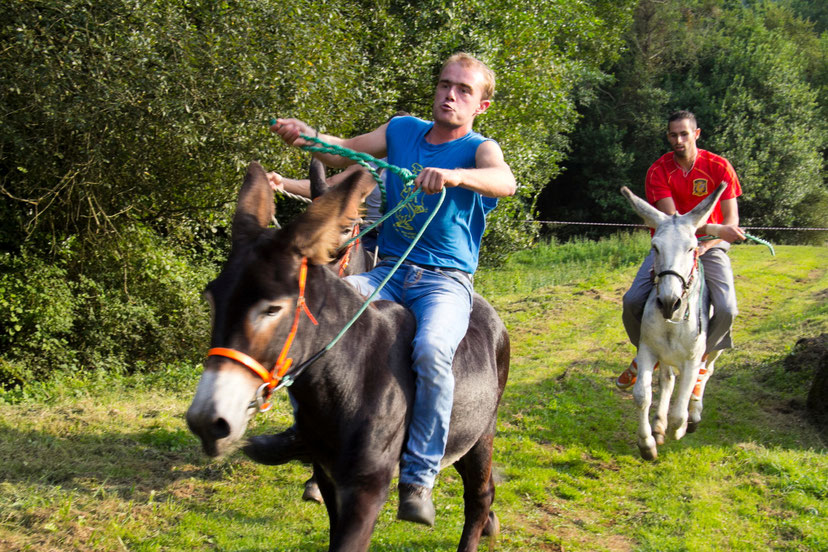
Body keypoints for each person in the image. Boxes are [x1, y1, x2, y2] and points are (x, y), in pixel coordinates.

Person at [270, 53, 516, 526]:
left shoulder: (480, 148)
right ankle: (305, 432)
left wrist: (455, 176)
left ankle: (419, 477)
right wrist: (307, 135)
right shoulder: (403, 130)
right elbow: (341, 151)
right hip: (389, 273)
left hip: (445, 281)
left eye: (464, 90)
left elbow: (504, 180)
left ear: (480, 106)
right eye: (445, 84)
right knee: (316, 314)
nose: (450, 95)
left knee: (431, 350)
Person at [616, 110, 745, 394]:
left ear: (696, 134)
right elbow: (674, 223)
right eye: (673, 135)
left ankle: (701, 363)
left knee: (726, 308)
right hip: (672, 246)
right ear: (668, 137)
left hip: (710, 247)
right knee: (632, 301)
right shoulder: (658, 171)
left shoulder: (719, 167)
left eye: (684, 134)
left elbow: (731, 220)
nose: (678, 140)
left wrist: (709, 242)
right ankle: (645, 355)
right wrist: (715, 230)